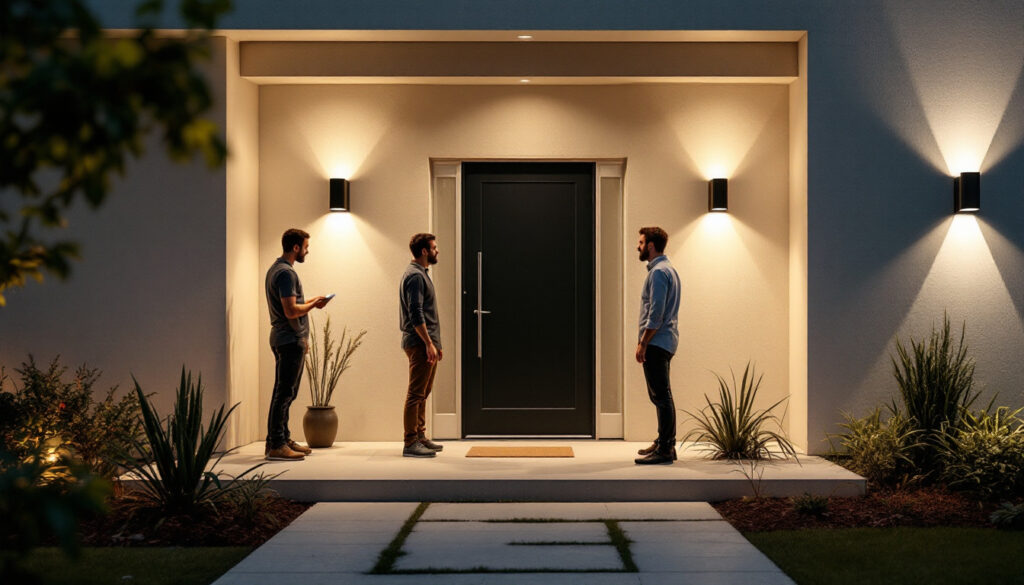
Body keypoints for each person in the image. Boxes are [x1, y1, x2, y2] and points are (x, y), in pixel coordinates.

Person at [265, 228, 330, 461]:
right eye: (305, 247)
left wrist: (312, 300)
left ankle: (281, 438)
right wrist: (310, 310)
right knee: (285, 393)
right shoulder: (286, 274)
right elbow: (291, 310)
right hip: (289, 340)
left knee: (283, 392)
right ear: (296, 248)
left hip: (284, 338)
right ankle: (276, 444)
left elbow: (292, 304)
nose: (307, 251)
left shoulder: (276, 269)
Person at [634, 226, 682, 465]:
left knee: (661, 396)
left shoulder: (658, 273)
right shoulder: (668, 270)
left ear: (651, 245)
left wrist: (643, 342)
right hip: (665, 341)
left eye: (641, 243)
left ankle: (665, 448)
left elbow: (656, 313)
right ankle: (665, 442)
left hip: (656, 342)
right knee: (662, 395)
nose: (639, 247)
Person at [399, 233, 444, 458]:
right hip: (419, 343)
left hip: (427, 343)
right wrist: (428, 343)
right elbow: (415, 313)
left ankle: (420, 435)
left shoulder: (421, 274)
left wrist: (436, 343)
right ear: (424, 251)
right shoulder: (414, 277)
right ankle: (410, 442)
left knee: (423, 393)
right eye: (434, 248)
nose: (437, 251)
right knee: (416, 394)